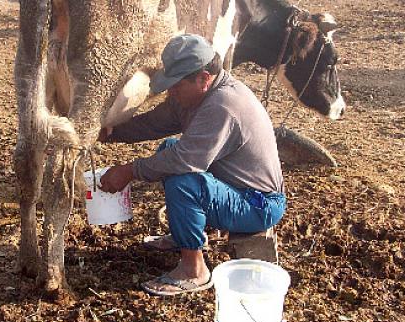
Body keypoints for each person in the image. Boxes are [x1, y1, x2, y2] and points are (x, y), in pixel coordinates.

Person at [98, 34, 286, 296]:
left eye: (176, 85)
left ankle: (194, 271)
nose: (170, 92)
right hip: (235, 189)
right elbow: (155, 123)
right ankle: (184, 235)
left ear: (203, 79)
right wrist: (109, 132)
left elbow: (186, 161)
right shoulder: (196, 96)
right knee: (169, 149)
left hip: (259, 204)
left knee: (183, 179)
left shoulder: (222, 105)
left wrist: (129, 171)